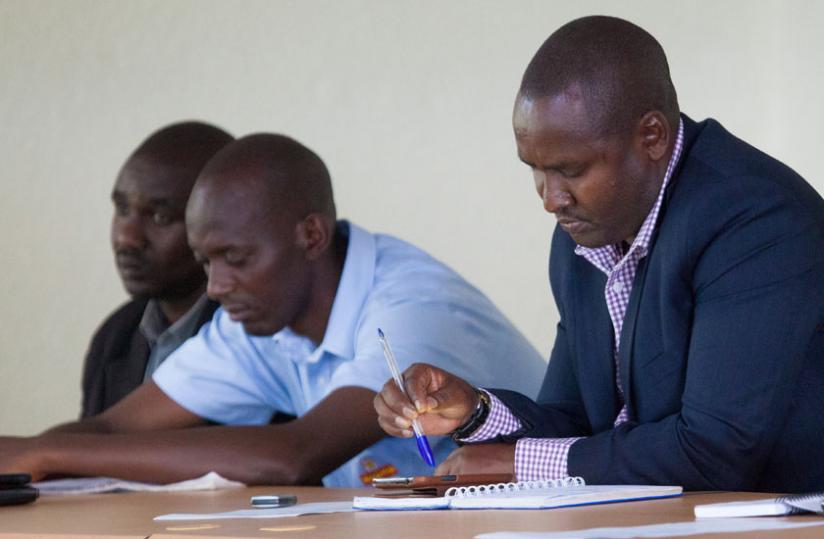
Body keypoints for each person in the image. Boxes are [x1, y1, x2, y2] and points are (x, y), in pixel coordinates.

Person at [374, 16, 824, 493]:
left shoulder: (754, 219)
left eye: (570, 169)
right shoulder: (583, 237)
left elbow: (714, 451)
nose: (550, 198)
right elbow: (579, 420)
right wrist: (475, 413)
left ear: (651, 137)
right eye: (536, 170)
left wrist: (517, 464)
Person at [0, 133, 545, 488]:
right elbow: (112, 430)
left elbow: (296, 456)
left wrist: (45, 455)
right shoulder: (259, 320)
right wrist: (25, 461)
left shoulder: (410, 307)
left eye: (234, 259)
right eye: (205, 261)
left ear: (310, 235)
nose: (214, 287)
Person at [82, 121, 231, 417]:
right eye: (122, 209)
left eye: (161, 217)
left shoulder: (256, 335)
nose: (127, 237)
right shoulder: (117, 335)